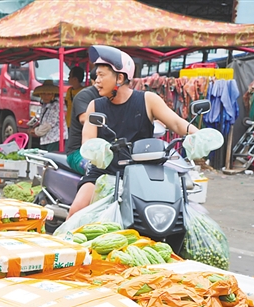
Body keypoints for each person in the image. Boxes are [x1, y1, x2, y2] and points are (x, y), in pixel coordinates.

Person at [68, 45, 198, 218]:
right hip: (104, 172)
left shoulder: (148, 100)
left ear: (120, 77)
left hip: (143, 173)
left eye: (101, 75)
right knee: (76, 212)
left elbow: (175, 122)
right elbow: (88, 141)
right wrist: (98, 149)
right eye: (96, 75)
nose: (96, 80)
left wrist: (199, 135)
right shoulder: (95, 105)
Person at [66, 68, 100, 174]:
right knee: (95, 171)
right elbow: (84, 119)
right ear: (94, 81)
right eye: (99, 77)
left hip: (101, 150)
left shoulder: (112, 97)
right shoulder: (84, 95)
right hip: (78, 152)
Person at [32, 80, 66, 152]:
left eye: (49, 94)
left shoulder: (56, 105)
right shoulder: (44, 105)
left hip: (55, 139)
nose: (46, 96)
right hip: (46, 139)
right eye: (44, 94)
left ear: (53, 95)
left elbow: (48, 125)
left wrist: (35, 131)